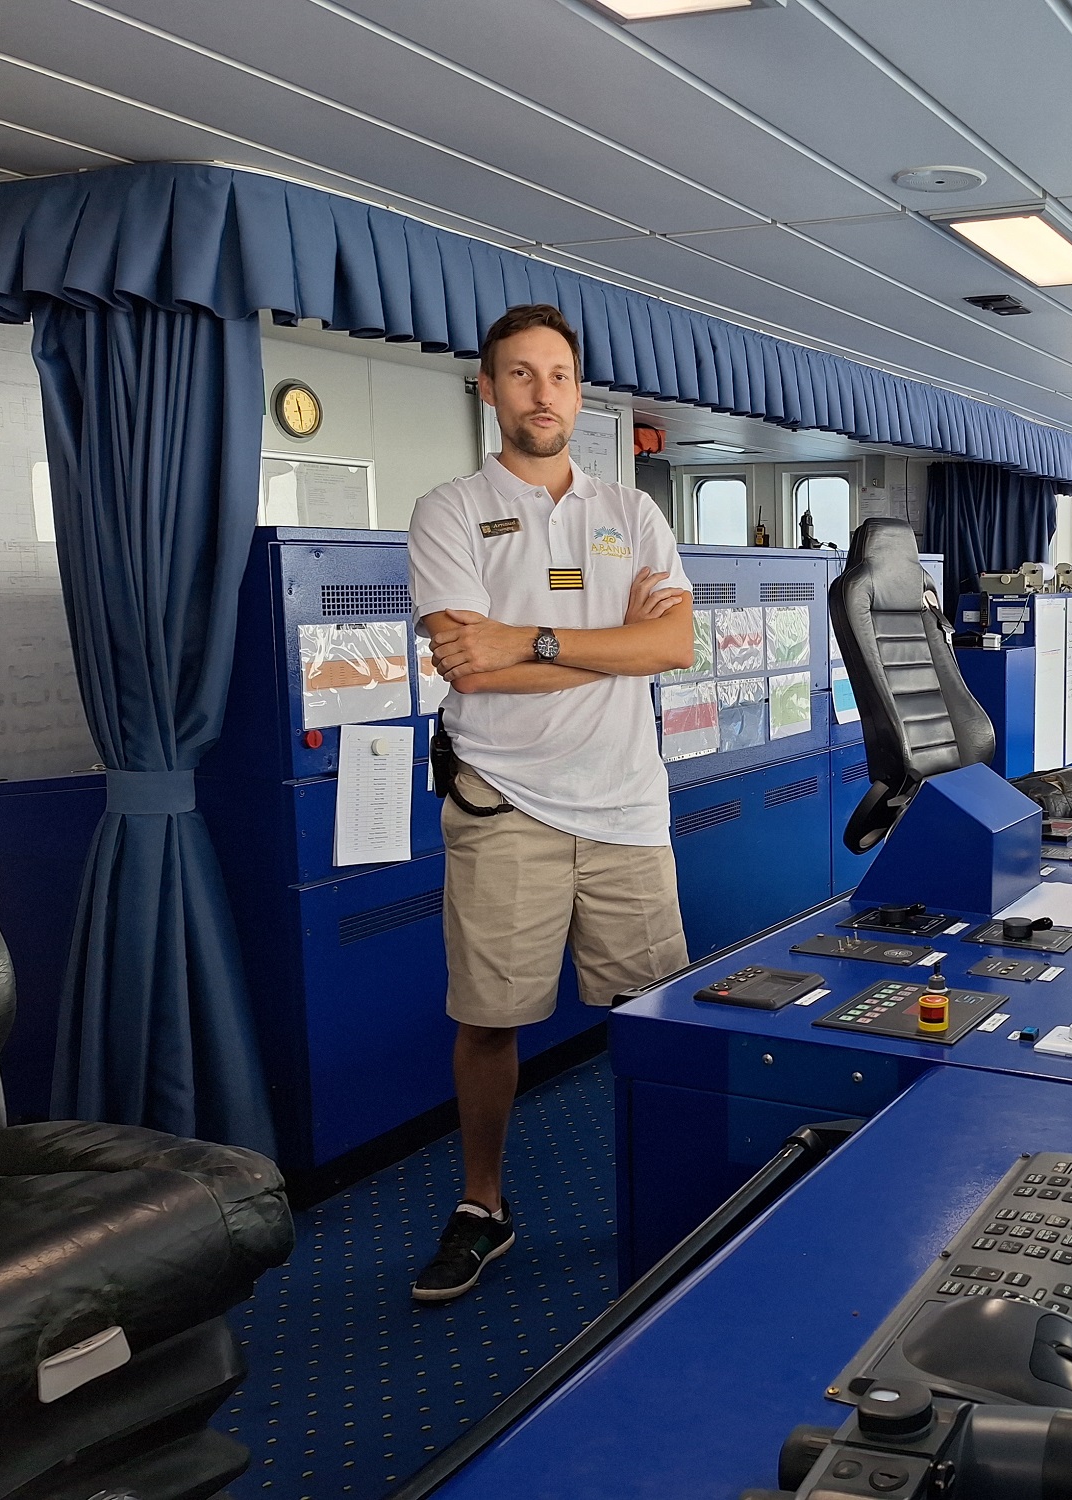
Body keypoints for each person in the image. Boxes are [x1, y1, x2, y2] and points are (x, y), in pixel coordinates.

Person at [405, 303, 693, 1303]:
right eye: (520, 375)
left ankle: (672, 1193)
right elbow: (466, 670)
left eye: (559, 375)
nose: (542, 393)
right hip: (503, 804)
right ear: (488, 390)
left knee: (653, 1015)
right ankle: (483, 1205)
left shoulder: (632, 512)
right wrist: (608, 647)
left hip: (624, 809)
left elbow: (672, 647)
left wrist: (524, 641)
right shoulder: (448, 510)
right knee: (489, 1020)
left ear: (579, 391)